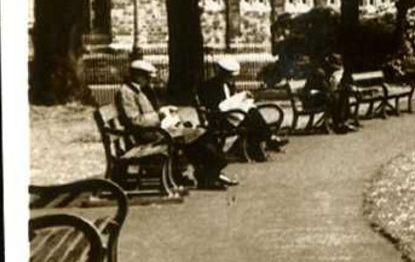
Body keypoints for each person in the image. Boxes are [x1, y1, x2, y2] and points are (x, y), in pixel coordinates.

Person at [115, 58, 237, 189]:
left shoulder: (137, 90)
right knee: (198, 135)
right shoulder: (126, 93)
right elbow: (135, 121)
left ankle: (209, 173)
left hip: (155, 131)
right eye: (146, 77)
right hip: (148, 135)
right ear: (137, 75)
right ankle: (210, 174)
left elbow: (145, 115)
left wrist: (165, 113)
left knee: (199, 133)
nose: (149, 81)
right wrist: (159, 115)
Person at [198, 56, 288, 157]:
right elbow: (217, 106)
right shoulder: (209, 86)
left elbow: (231, 101)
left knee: (251, 112)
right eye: (230, 76)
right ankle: (267, 140)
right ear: (223, 73)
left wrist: (242, 99)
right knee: (252, 115)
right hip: (220, 118)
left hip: (232, 115)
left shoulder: (229, 84)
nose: (232, 79)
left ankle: (263, 144)